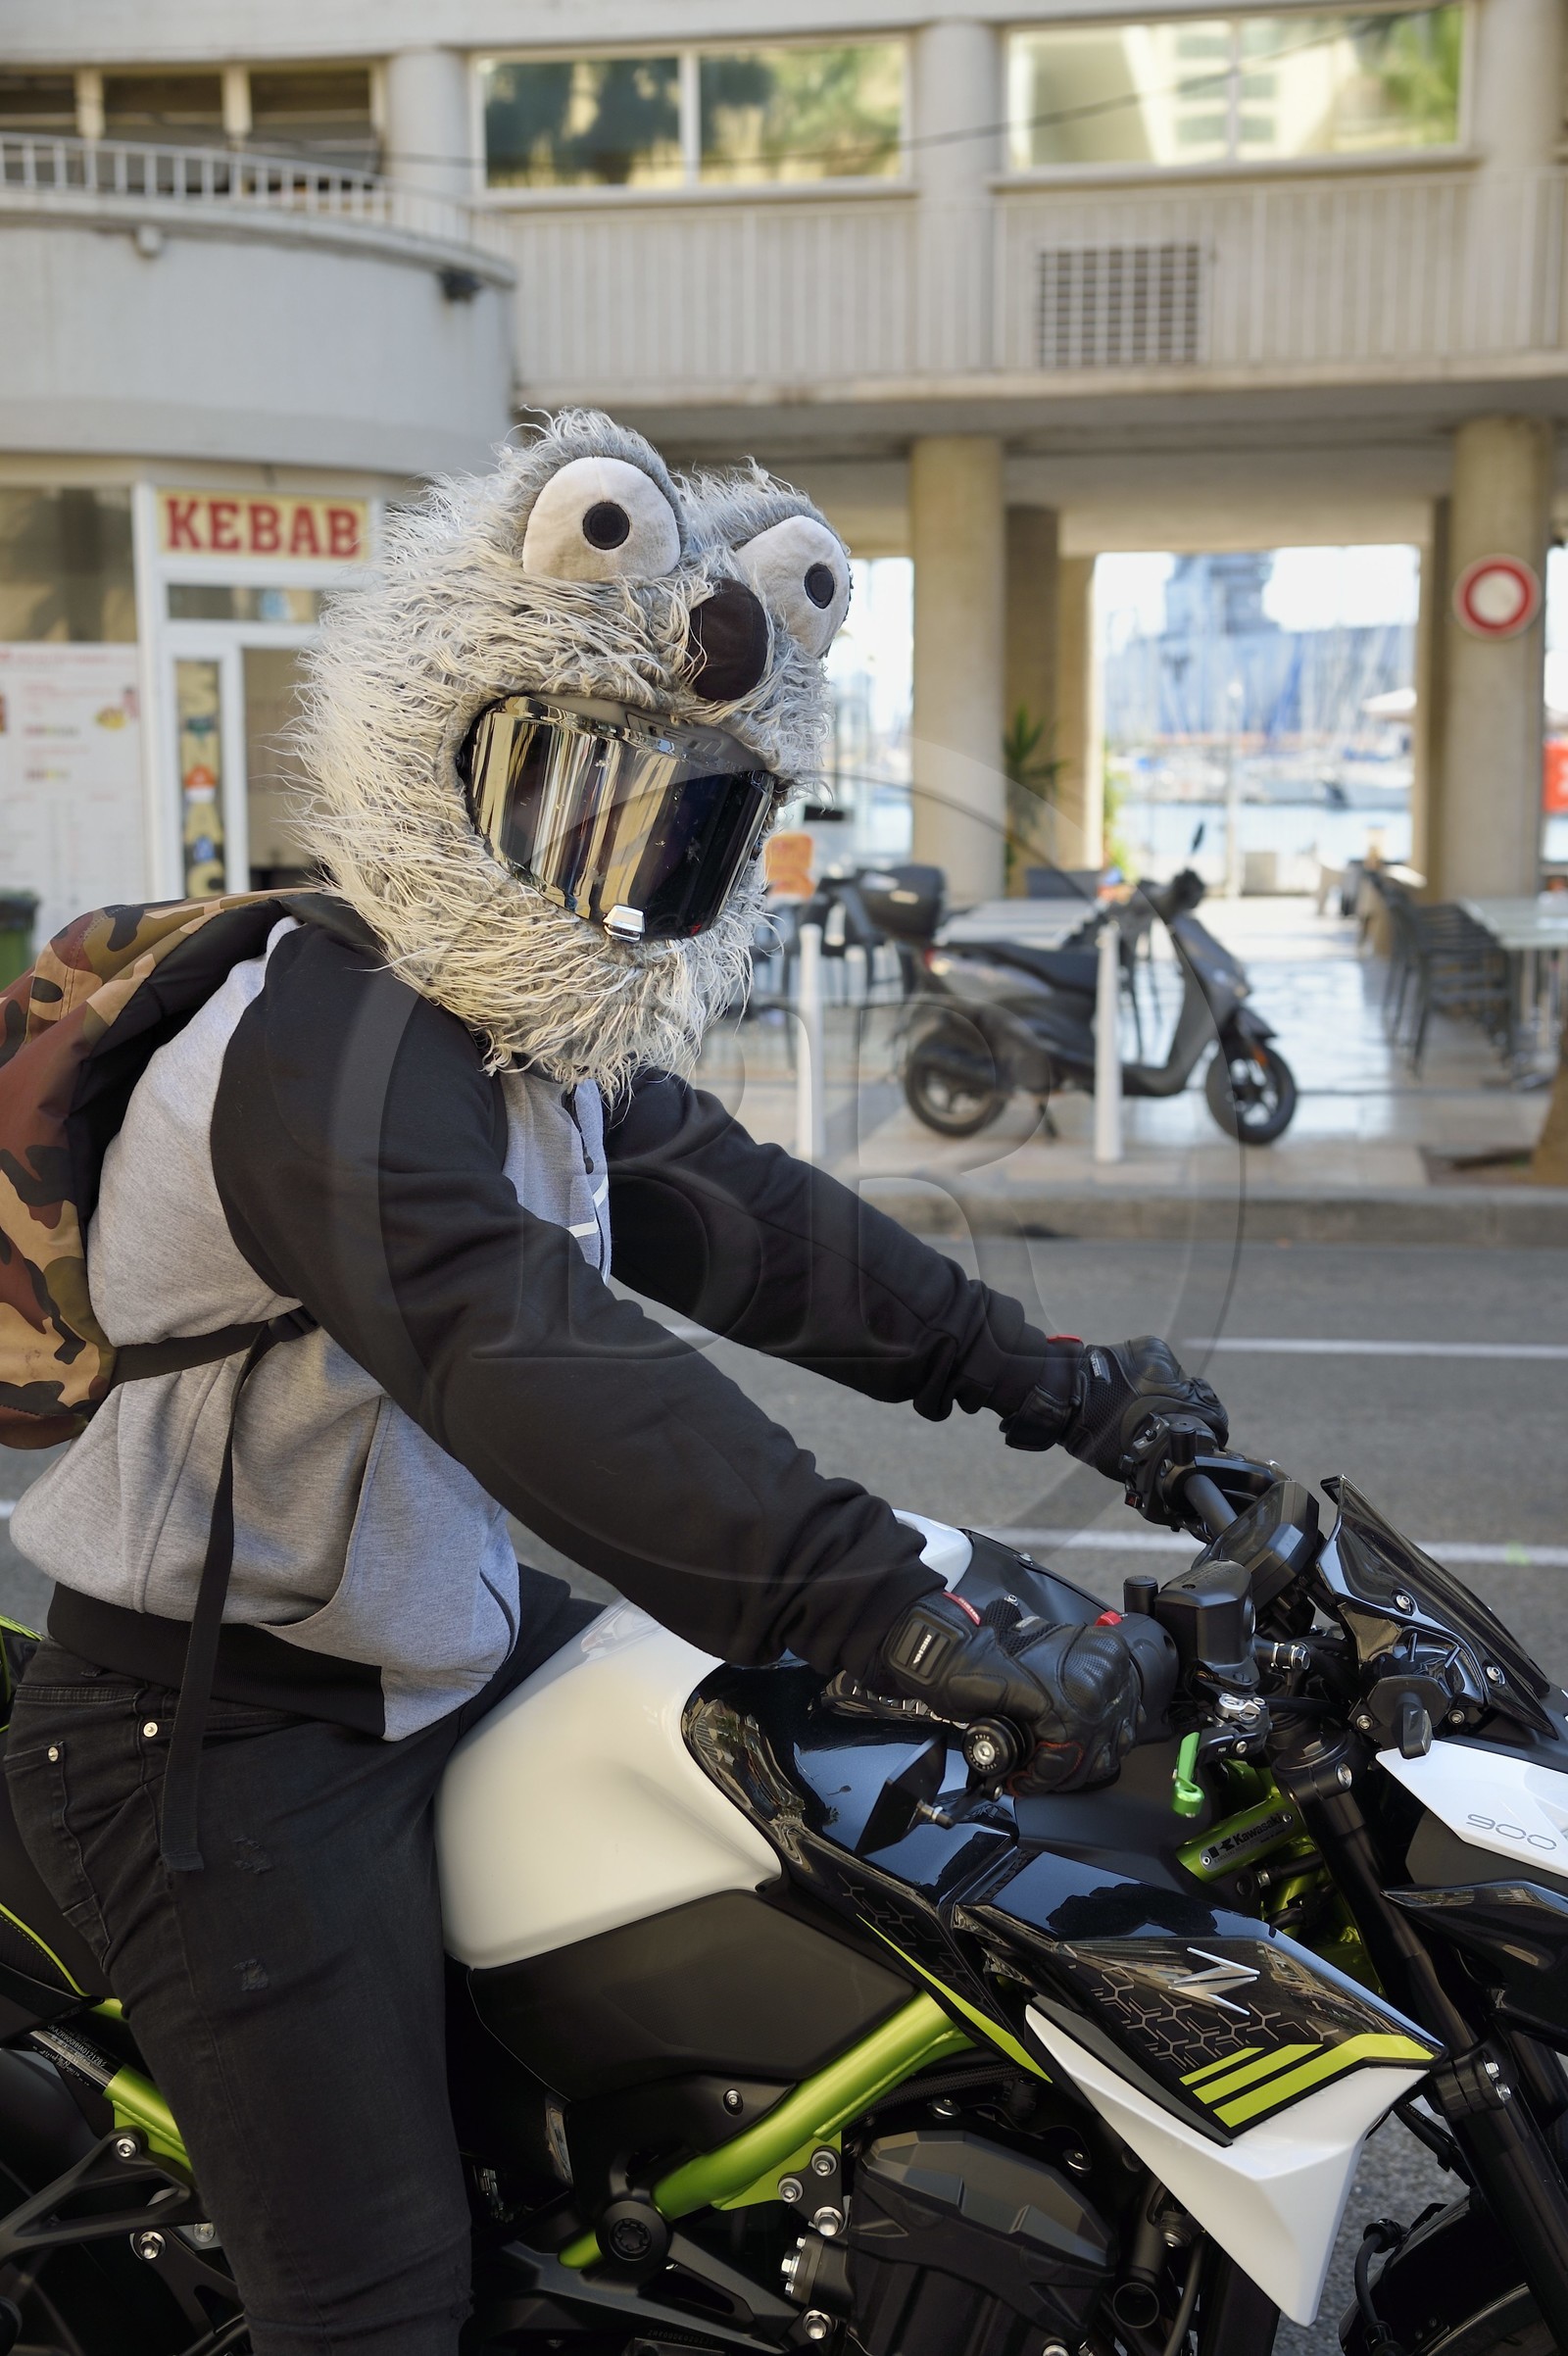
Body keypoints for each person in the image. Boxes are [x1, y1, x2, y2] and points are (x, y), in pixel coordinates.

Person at [1, 412, 1226, 2356]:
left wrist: (1074, 1386)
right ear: (448, 746)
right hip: (213, 1738)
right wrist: (886, 1608)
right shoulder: (323, 1044)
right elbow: (532, 1365)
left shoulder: (507, 1044)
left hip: (445, 1636)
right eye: (576, 795)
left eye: (677, 826)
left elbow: (759, 1227)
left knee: (827, 1887)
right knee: (383, 2305)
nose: (612, 864)